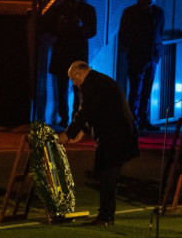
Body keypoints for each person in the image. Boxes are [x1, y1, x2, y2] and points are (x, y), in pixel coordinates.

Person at [58, 61, 140, 226]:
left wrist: (67, 135)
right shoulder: (100, 80)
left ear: (79, 75)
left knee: (107, 175)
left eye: (74, 80)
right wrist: (84, 131)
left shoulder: (91, 85)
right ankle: (106, 214)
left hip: (114, 137)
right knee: (106, 175)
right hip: (118, 135)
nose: (74, 84)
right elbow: (97, 110)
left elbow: (85, 111)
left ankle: (106, 216)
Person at [45, 0, 96, 127]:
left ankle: (74, 117)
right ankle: (65, 117)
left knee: (77, 88)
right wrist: (59, 26)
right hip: (64, 52)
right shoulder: (59, 10)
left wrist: (80, 26)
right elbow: (51, 29)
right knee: (63, 88)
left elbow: (92, 31)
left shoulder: (87, 10)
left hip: (76, 53)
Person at [118, 0, 164, 131]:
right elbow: (124, 33)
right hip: (138, 55)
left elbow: (159, 32)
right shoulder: (131, 12)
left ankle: (142, 119)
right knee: (136, 89)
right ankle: (134, 119)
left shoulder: (158, 12)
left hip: (151, 55)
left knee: (146, 90)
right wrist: (131, 48)